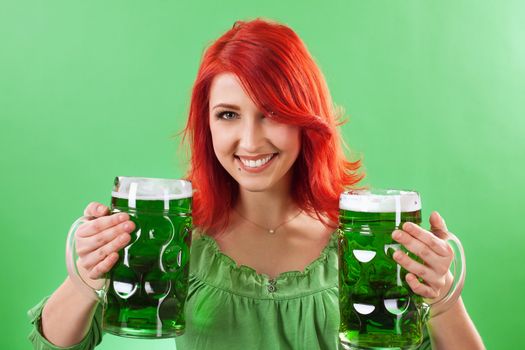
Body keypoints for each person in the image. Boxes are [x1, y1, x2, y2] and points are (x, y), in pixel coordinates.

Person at [28, 18, 484, 349]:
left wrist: (442, 296)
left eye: (274, 112)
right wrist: (85, 277)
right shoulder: (180, 237)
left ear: (307, 120)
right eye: (228, 115)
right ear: (207, 125)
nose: (249, 140)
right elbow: (49, 345)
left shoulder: (365, 238)